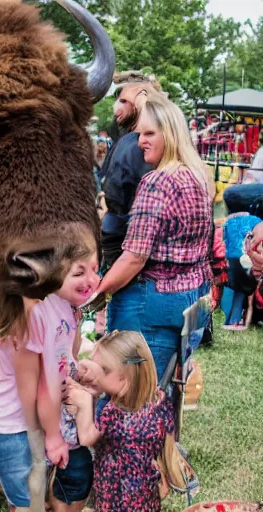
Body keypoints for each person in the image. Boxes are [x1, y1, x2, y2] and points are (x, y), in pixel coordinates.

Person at [91, 92, 215, 383]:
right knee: (162, 390)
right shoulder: (197, 176)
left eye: (150, 133)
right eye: (139, 134)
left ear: (170, 134)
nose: (141, 141)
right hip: (191, 298)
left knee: (131, 394)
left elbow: (135, 257)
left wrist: (95, 294)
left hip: (150, 304)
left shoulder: (157, 182)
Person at [0, 251, 99, 512]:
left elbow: (65, 357)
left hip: (34, 418)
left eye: (95, 269)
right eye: (79, 272)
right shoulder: (33, 315)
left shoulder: (64, 304)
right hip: (10, 425)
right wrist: (53, 439)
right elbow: (41, 387)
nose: (92, 279)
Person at [66, 331, 174, 512]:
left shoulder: (114, 412)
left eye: (104, 370)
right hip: (145, 498)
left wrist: (84, 404)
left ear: (124, 379)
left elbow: (86, 438)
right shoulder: (158, 400)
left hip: (117, 499)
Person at [97, 72, 163, 274]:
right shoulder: (126, 137)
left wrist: (143, 96)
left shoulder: (145, 143)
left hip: (128, 245)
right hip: (111, 238)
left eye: (124, 100)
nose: (117, 107)